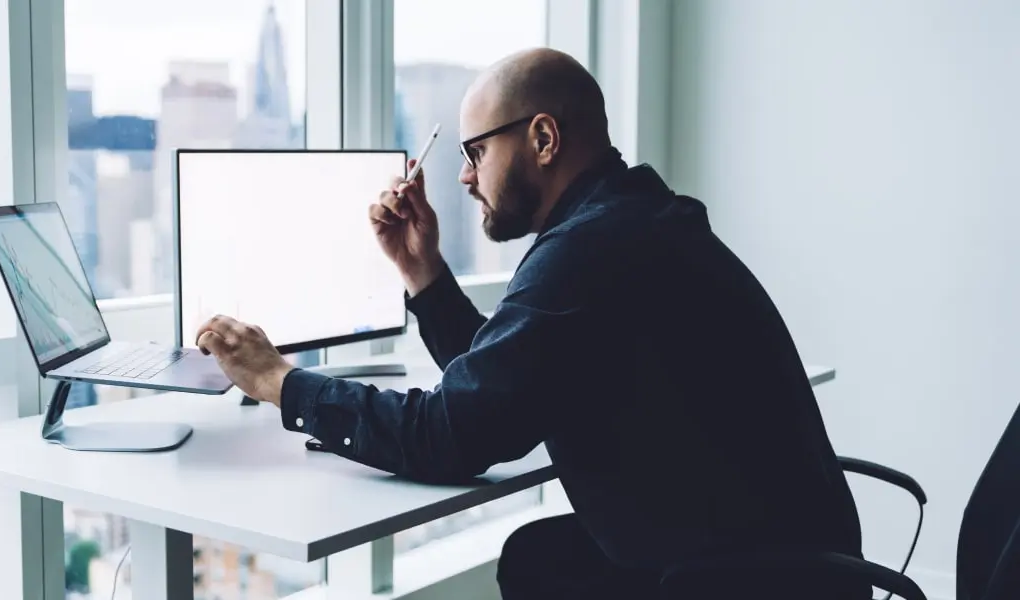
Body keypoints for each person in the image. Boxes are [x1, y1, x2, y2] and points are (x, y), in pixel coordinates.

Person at [195, 48, 866, 599]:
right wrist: (424, 273)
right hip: (789, 560)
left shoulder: (588, 253)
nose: (462, 176)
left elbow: (452, 435)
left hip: (746, 583)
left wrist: (281, 380)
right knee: (539, 557)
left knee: (540, 564)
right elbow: (511, 383)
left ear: (543, 137)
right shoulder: (634, 218)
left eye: (476, 151)